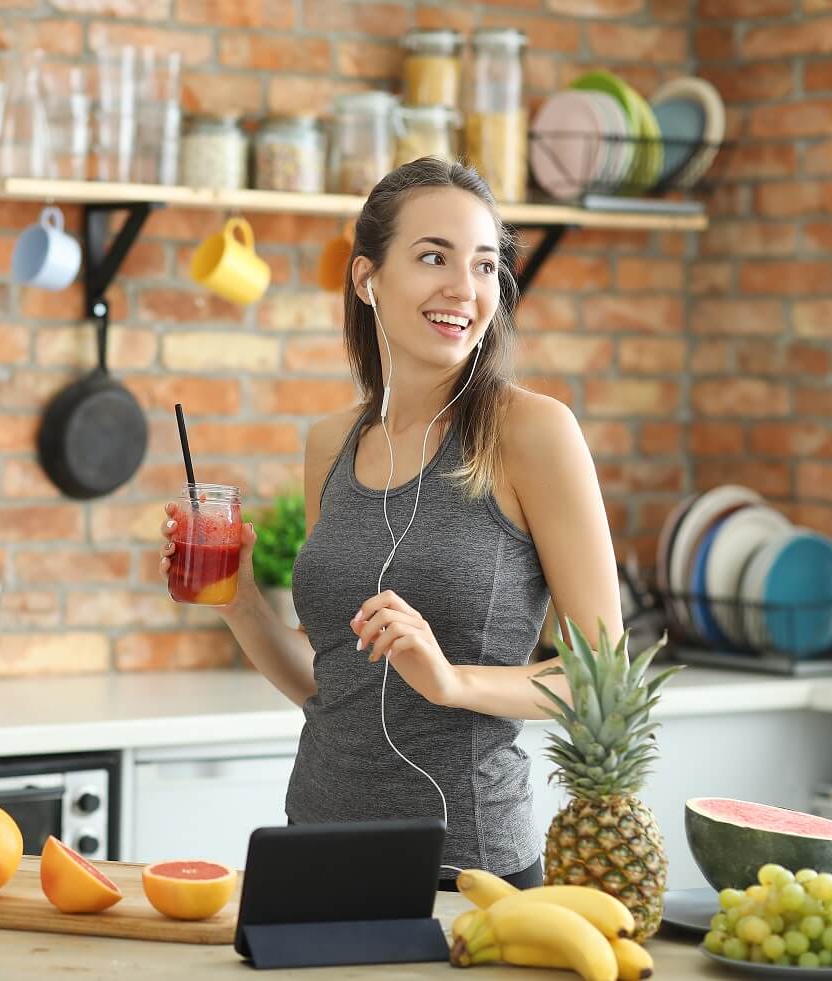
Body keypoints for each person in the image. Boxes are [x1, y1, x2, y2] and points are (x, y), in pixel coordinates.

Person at [157, 158, 623, 890]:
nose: (463, 289)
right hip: (311, 847)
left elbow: (603, 679)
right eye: (433, 256)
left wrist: (449, 680)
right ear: (367, 277)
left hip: (465, 871)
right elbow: (333, 683)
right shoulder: (331, 444)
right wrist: (239, 599)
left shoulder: (532, 433)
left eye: (484, 265)